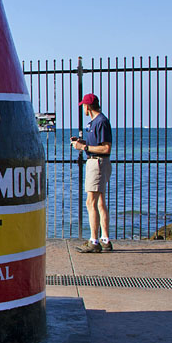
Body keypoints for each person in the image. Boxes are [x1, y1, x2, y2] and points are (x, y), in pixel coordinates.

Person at [71, 93, 113, 253]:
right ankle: (105, 239)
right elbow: (97, 144)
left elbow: (106, 148)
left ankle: (94, 241)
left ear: (87, 106)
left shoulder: (100, 122)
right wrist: (82, 143)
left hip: (97, 163)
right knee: (100, 202)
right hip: (97, 162)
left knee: (91, 202)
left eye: (83, 106)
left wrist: (84, 148)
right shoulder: (96, 122)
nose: (83, 109)